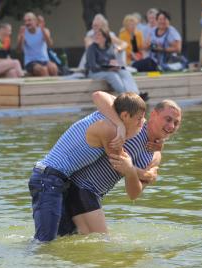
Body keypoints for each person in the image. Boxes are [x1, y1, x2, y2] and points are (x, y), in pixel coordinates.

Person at [28, 92, 147, 242]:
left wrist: (122, 126)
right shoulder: (110, 130)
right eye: (139, 118)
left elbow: (101, 96)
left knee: (64, 238)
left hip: (54, 180)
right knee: (44, 241)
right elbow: (120, 163)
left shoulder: (108, 114)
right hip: (48, 180)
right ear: (124, 115)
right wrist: (146, 174)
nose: (142, 123)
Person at [61, 91, 182, 235]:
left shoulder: (155, 156)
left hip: (92, 194)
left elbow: (133, 194)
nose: (171, 126)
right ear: (154, 114)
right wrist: (120, 125)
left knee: (74, 242)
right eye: (168, 119)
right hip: (80, 187)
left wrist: (131, 171)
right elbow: (99, 96)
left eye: (176, 123)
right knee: (101, 243)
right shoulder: (134, 120)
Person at [86, 27, 146, 98]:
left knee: (124, 70)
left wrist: (115, 65)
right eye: (95, 35)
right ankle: (126, 97)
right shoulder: (92, 48)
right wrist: (109, 68)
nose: (96, 37)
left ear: (105, 37)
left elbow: (112, 61)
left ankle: (136, 94)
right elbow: (93, 67)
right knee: (112, 75)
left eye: (99, 35)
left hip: (107, 69)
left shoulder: (110, 47)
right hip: (94, 72)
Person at [17, 12, 58, 77]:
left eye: (29, 20)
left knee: (54, 68)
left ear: (35, 21)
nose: (27, 23)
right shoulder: (23, 32)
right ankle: (47, 87)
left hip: (44, 60)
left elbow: (50, 45)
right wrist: (21, 37)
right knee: (43, 70)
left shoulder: (44, 30)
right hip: (30, 62)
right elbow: (19, 50)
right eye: (25, 21)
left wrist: (43, 30)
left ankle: (55, 87)